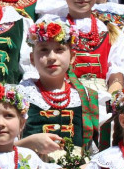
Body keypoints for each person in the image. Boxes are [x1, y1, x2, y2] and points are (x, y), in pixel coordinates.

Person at [18, 17, 108, 155]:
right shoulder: (21, 95)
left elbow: (93, 150)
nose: (52, 57)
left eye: (59, 50)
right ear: (32, 59)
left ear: (72, 56)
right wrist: (29, 142)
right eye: (43, 50)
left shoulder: (86, 97)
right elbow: (5, 145)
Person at [57, 0, 124, 92]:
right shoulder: (54, 28)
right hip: (64, 100)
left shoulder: (110, 31)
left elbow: (116, 74)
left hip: (101, 102)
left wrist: (109, 102)